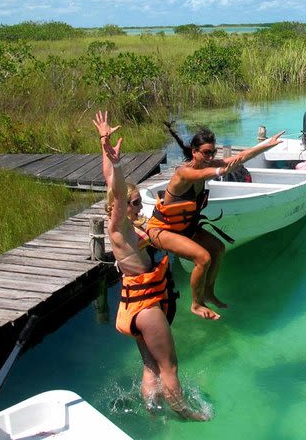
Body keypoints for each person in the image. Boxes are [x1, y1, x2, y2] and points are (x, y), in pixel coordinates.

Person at [93, 110, 207, 421]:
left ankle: (152, 411)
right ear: (119, 207)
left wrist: (105, 144)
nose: (139, 206)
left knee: (150, 365)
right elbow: (116, 192)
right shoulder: (119, 227)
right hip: (146, 305)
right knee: (169, 365)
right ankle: (184, 414)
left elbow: (110, 184)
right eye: (135, 203)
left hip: (135, 303)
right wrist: (116, 164)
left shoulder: (125, 225)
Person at [145, 123, 284, 321]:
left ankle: (209, 292)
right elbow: (202, 175)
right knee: (203, 258)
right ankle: (196, 304)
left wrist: (267, 145)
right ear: (194, 152)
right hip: (162, 230)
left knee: (218, 248)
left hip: (185, 228)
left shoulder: (207, 164)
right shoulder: (183, 173)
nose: (210, 157)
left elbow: (239, 157)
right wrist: (221, 170)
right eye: (207, 153)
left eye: (213, 152)